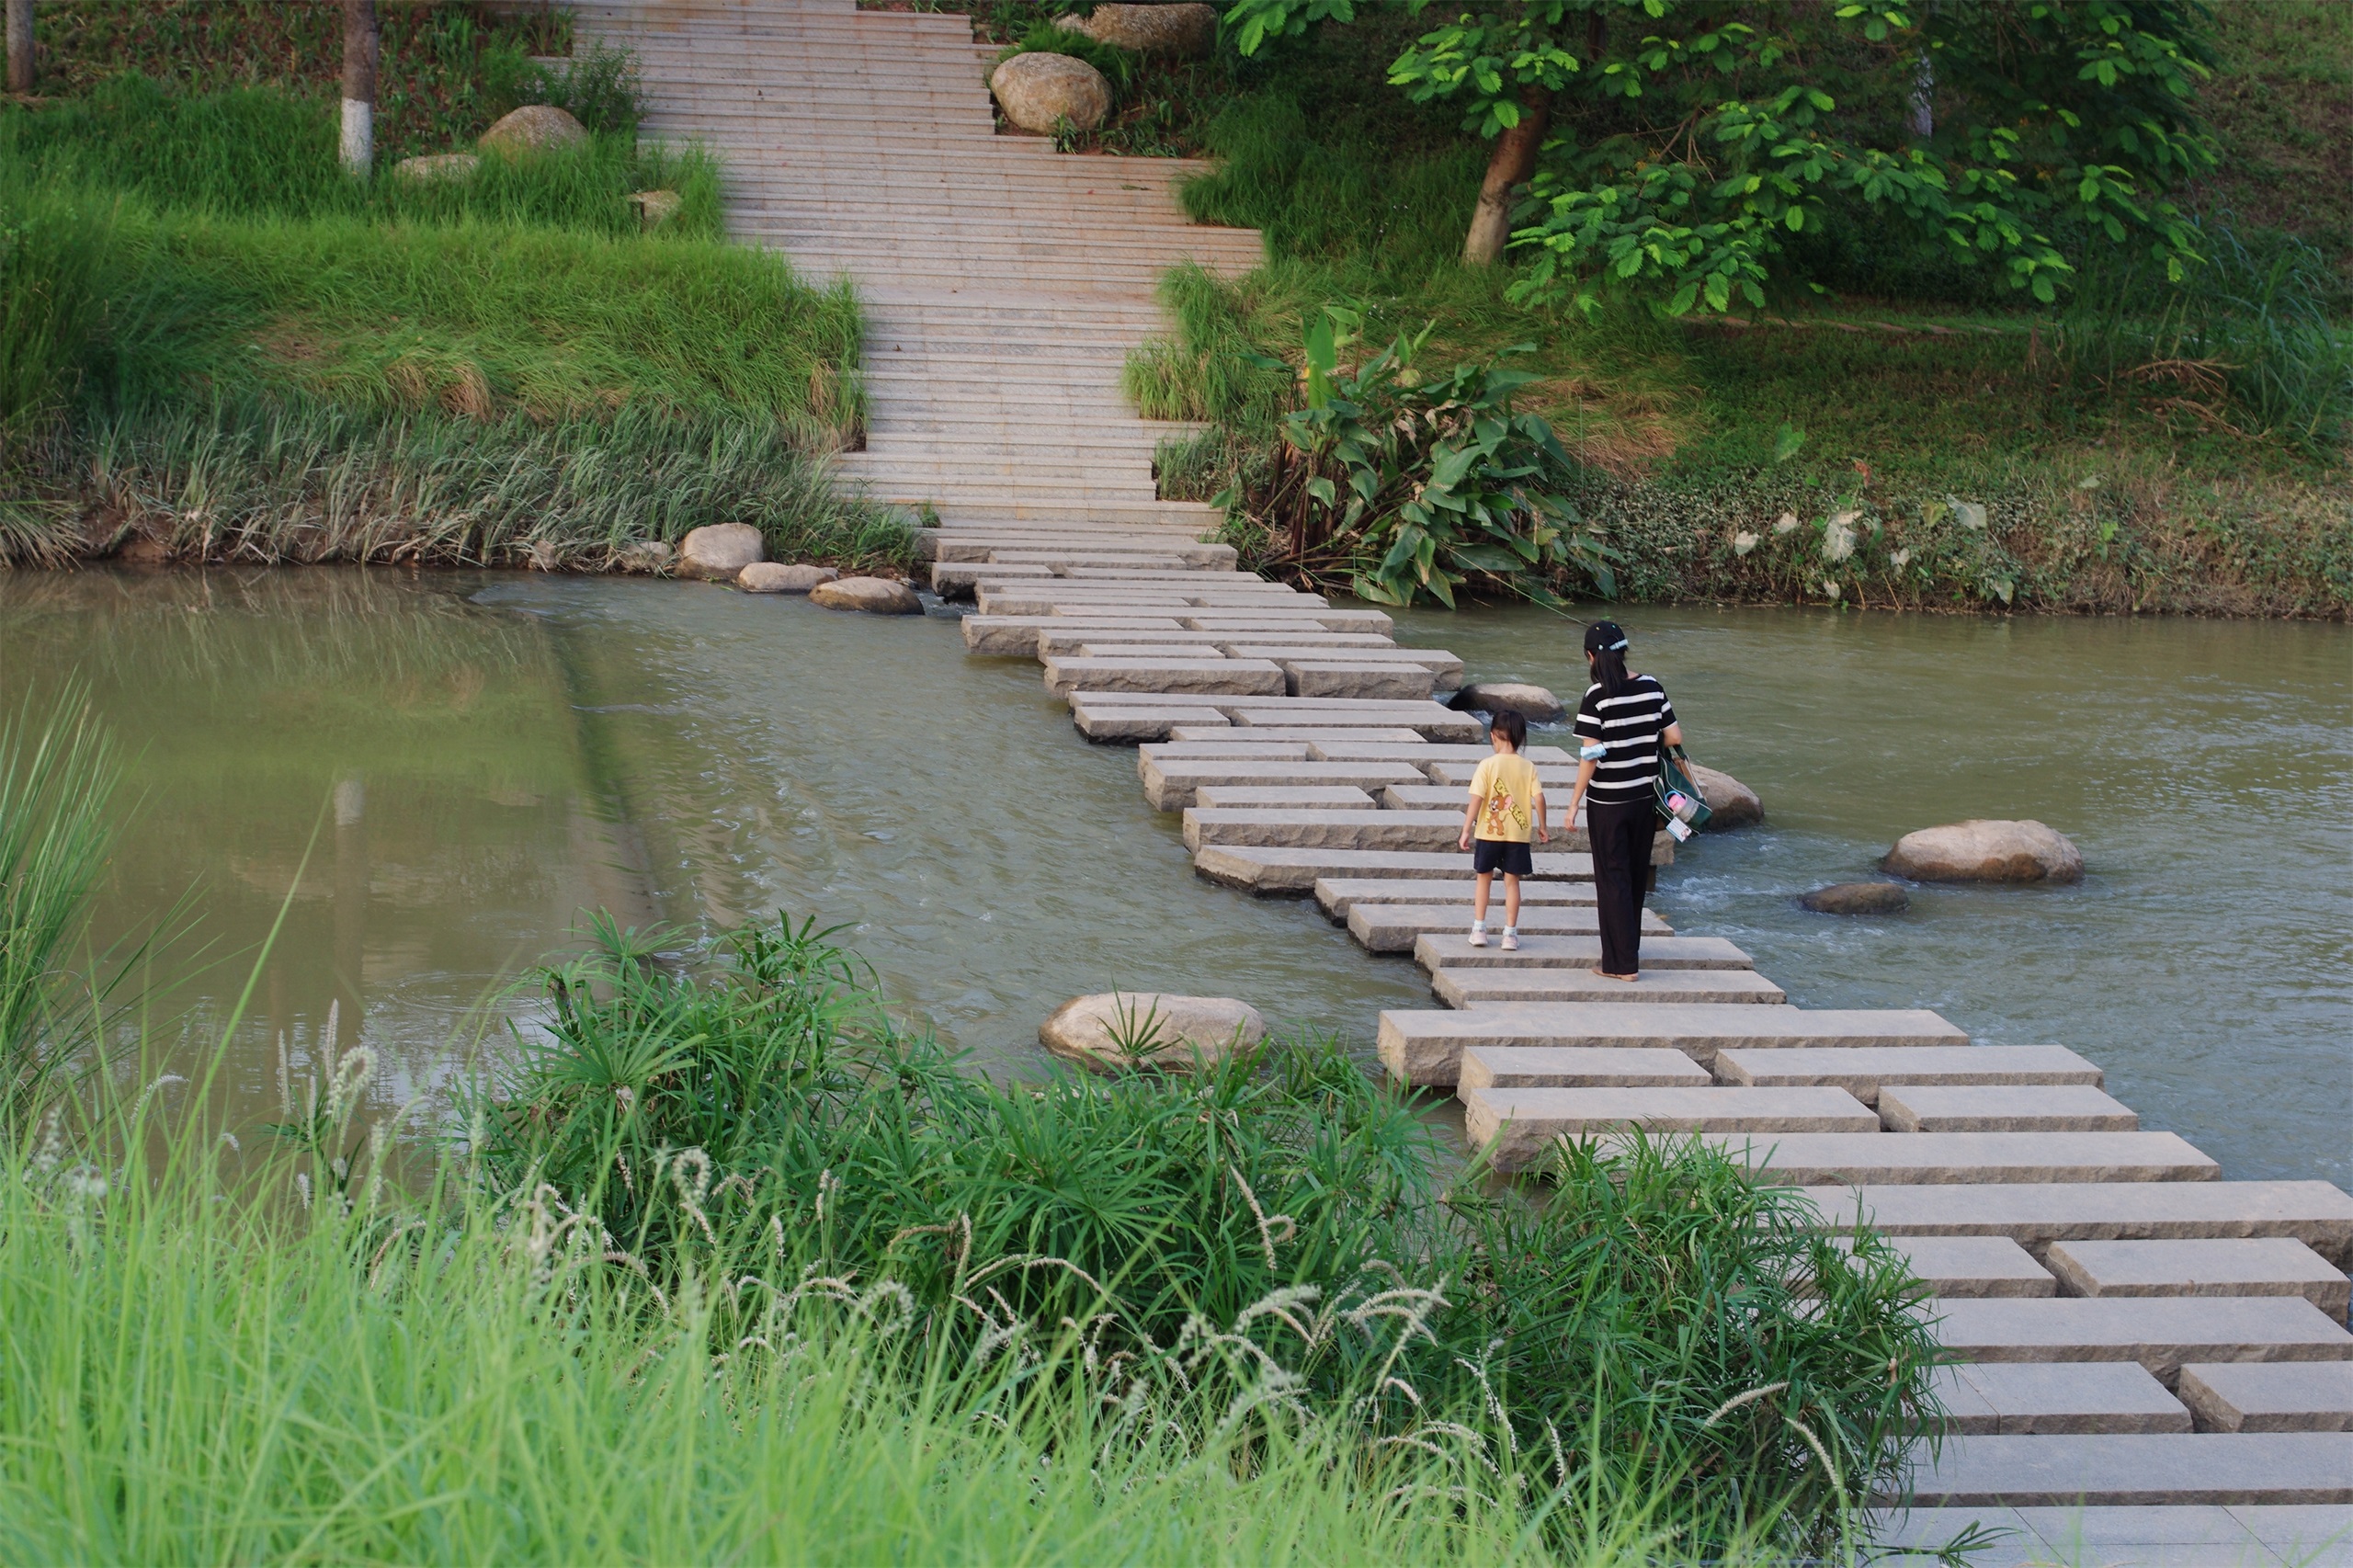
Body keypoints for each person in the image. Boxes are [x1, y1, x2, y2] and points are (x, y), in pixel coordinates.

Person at [1563, 620, 1682, 981]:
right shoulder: (1651, 686)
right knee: (1632, 877)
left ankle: (1621, 964)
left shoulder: (1596, 696)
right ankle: (1628, 953)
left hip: (1608, 804)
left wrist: (1573, 802)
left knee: (1611, 879)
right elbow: (1674, 736)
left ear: (1590, 657)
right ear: (1624, 650)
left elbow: (1591, 756)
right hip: (1645, 799)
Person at [1457, 708, 1548, 949]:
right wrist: (1543, 826)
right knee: (1512, 883)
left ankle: (1479, 929)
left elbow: (1476, 798)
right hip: (1518, 835)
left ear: (1493, 735)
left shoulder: (1487, 765)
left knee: (1483, 879)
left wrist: (1466, 829)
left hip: (1489, 832)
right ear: (1521, 737)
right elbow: (1539, 798)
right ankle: (1510, 934)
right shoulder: (1528, 767)